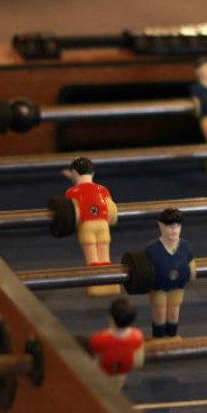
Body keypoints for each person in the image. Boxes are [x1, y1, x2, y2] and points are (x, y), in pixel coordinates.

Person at [64, 157, 120, 296]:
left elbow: (71, 212)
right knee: (105, 256)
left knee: (92, 258)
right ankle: (110, 285)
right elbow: (111, 209)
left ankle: (96, 287)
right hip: (102, 225)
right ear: (93, 173)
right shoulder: (103, 190)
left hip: (86, 225)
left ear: (74, 173)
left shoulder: (72, 192)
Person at [145, 208, 196, 339]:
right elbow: (145, 272)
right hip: (158, 289)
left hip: (177, 288)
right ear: (160, 226)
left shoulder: (185, 247)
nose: (174, 230)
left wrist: (190, 274)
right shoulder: (152, 250)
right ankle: (158, 337)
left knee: (174, 311)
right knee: (160, 312)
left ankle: (172, 336)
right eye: (170, 226)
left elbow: (191, 266)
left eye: (177, 226)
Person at [89, 298, 144, 390]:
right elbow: (137, 361)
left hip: (103, 371)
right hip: (121, 371)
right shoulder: (138, 336)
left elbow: (95, 358)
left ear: (111, 318)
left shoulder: (98, 339)